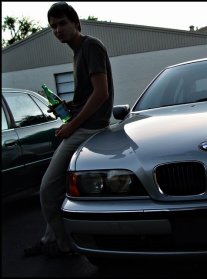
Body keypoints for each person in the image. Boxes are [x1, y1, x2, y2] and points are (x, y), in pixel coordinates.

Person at [24, 1, 114, 257]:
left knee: (47, 188)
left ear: (76, 23)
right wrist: (69, 106)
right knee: (58, 188)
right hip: (82, 124)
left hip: (88, 129)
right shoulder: (77, 53)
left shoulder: (91, 46)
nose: (57, 30)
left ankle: (65, 246)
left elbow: (101, 93)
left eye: (62, 23)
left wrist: (70, 125)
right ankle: (51, 237)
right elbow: (88, 96)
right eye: (53, 26)